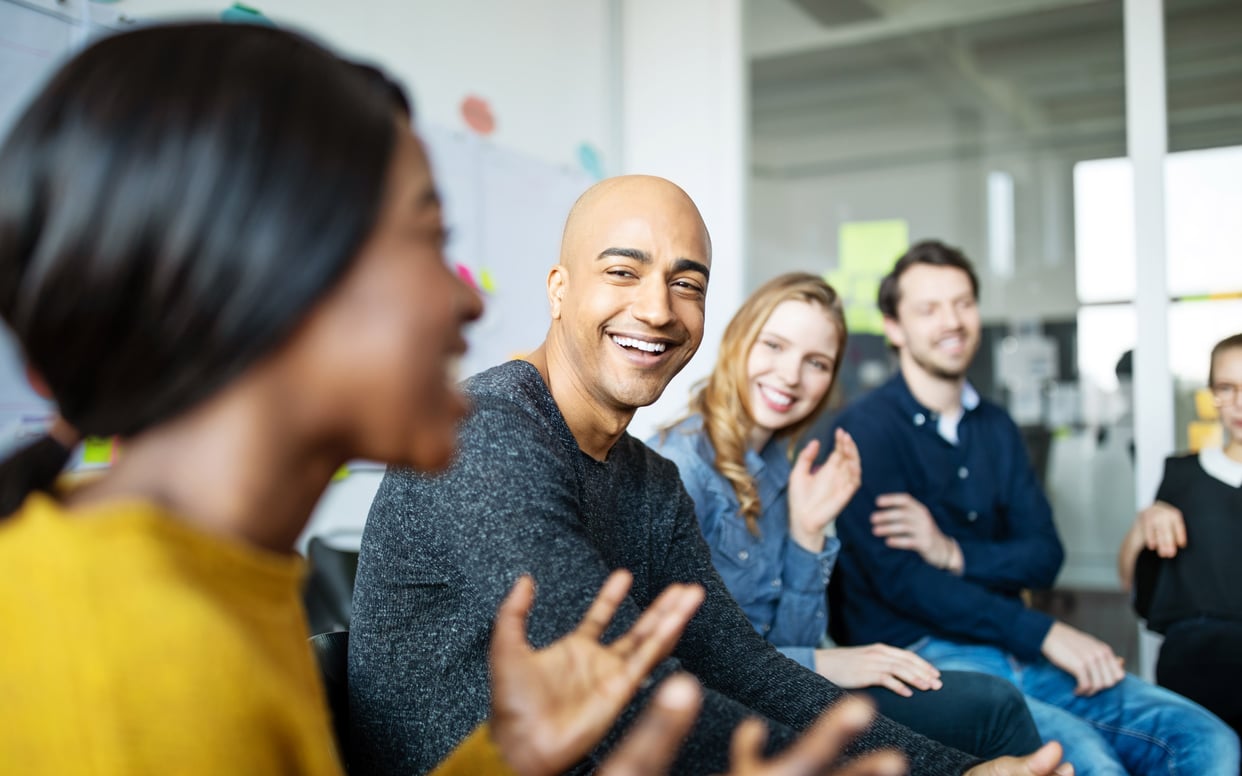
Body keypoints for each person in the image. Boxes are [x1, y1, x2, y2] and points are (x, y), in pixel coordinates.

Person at [0, 22, 728, 776]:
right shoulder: (131, 661)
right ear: (271, 283)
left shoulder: (222, 577)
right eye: (425, 240)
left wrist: (503, 758)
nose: (467, 302)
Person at [350, 176, 1074, 776]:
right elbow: (626, 692)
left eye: (686, 283)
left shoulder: (651, 481)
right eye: (622, 271)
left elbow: (742, 665)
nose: (658, 308)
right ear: (560, 290)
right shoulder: (490, 432)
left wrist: (955, 770)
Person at [826, 240, 1239, 774]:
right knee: (1093, 763)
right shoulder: (868, 430)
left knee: (1208, 740)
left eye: (962, 303)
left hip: (1019, 649)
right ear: (895, 327)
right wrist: (1045, 631)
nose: (952, 321)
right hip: (931, 659)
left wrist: (953, 553)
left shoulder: (996, 427)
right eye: (929, 309)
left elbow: (1043, 554)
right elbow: (905, 583)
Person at [648, 272, 1042, 759]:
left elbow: (788, 641)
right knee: (994, 709)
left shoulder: (778, 468)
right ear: (738, 341)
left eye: (816, 363)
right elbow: (686, 658)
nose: (792, 376)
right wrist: (828, 662)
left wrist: (807, 531)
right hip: (719, 716)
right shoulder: (680, 468)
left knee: (990, 705)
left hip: (777, 694)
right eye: (774, 346)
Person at [1118, 332, 1242, 741]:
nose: (1240, 402)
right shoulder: (1182, 477)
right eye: (1227, 388)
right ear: (1213, 396)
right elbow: (1130, 583)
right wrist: (1144, 525)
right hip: (1198, 671)